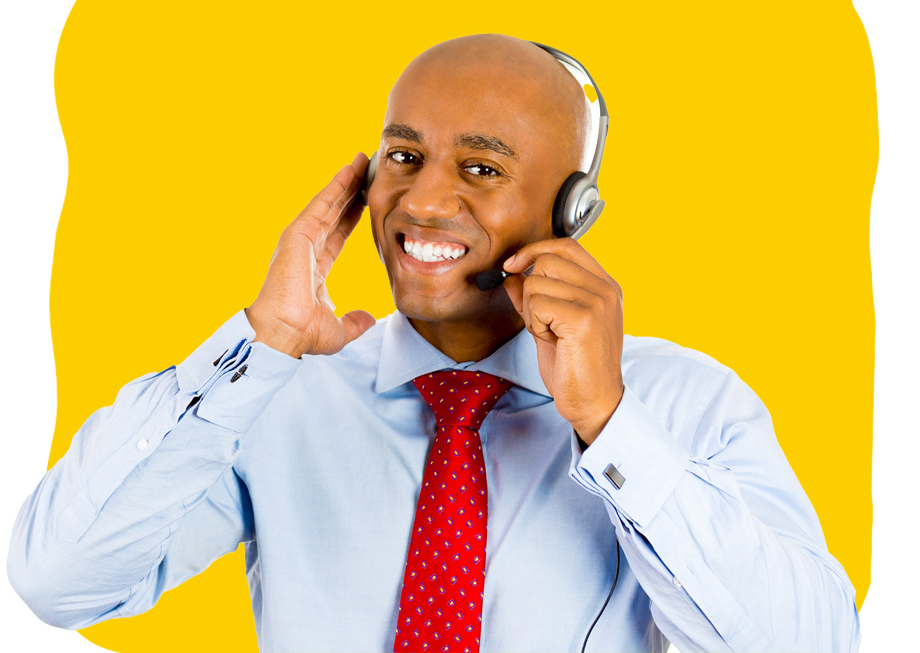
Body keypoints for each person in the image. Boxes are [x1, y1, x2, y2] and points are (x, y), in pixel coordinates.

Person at [8, 34, 860, 652]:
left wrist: (608, 423)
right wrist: (259, 345)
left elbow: (810, 643)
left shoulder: (683, 402)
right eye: (403, 156)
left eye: (482, 169)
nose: (422, 202)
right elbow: (58, 581)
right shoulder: (277, 397)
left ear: (573, 213)